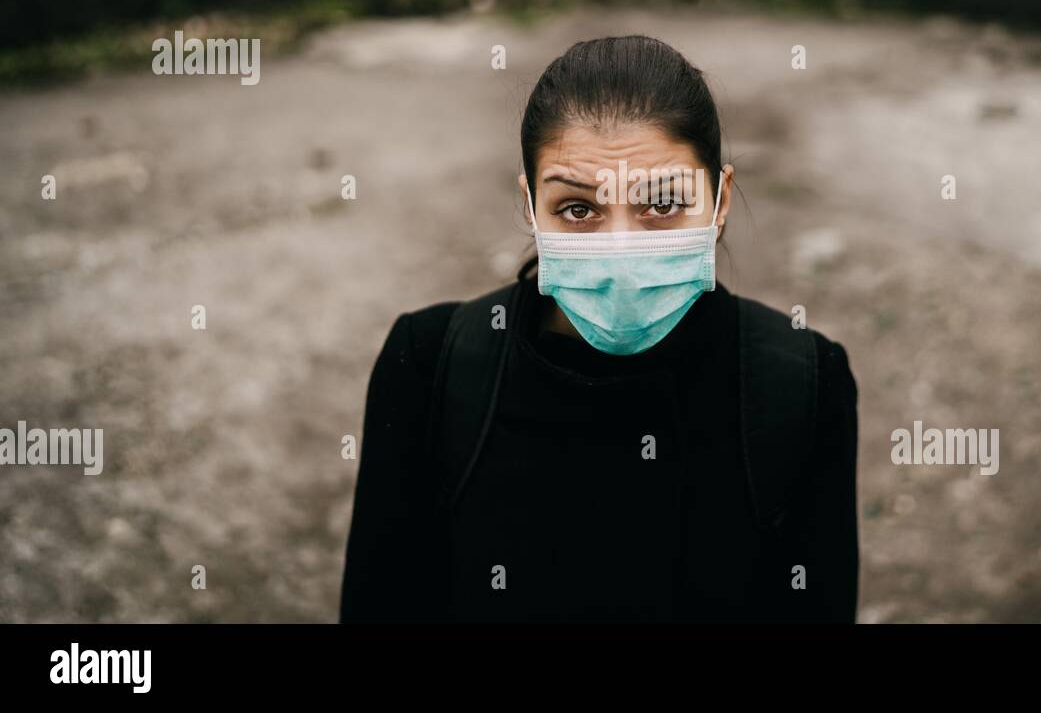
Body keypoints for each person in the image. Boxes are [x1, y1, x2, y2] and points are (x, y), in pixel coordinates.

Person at [340, 34, 859, 623]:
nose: (620, 249)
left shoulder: (803, 382)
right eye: (578, 209)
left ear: (720, 202)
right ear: (531, 205)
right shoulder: (429, 366)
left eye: (662, 204)